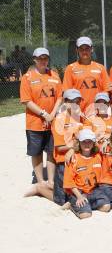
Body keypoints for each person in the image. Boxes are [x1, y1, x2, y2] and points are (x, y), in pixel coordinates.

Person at [20, 48, 63, 187]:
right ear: (34, 59)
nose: (43, 61)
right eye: (40, 58)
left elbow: (59, 98)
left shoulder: (55, 76)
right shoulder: (27, 77)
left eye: (45, 58)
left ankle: (50, 180)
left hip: (52, 122)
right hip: (35, 122)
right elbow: (27, 101)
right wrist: (44, 114)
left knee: (51, 152)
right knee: (36, 152)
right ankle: (40, 181)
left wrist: (52, 115)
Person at [63, 129, 111, 219]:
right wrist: (79, 197)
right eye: (84, 141)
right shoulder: (74, 158)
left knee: (106, 207)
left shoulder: (98, 156)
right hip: (78, 191)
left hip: (93, 190)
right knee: (85, 215)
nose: (87, 144)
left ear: (93, 143)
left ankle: (86, 205)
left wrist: (106, 141)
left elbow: (111, 145)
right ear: (79, 143)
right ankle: (72, 205)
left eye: (89, 141)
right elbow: (69, 182)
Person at [50, 89, 84, 206]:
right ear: (65, 102)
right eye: (72, 101)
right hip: (63, 160)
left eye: (78, 101)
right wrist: (75, 146)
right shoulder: (58, 120)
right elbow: (59, 148)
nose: (76, 104)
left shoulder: (81, 117)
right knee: (60, 200)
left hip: (78, 158)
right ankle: (39, 189)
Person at [63, 36, 112, 115]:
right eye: (81, 49)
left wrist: (99, 109)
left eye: (87, 49)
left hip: (97, 113)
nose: (84, 51)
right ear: (77, 50)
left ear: (92, 49)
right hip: (77, 113)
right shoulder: (70, 68)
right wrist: (75, 111)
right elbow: (67, 93)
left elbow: (106, 91)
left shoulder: (101, 68)